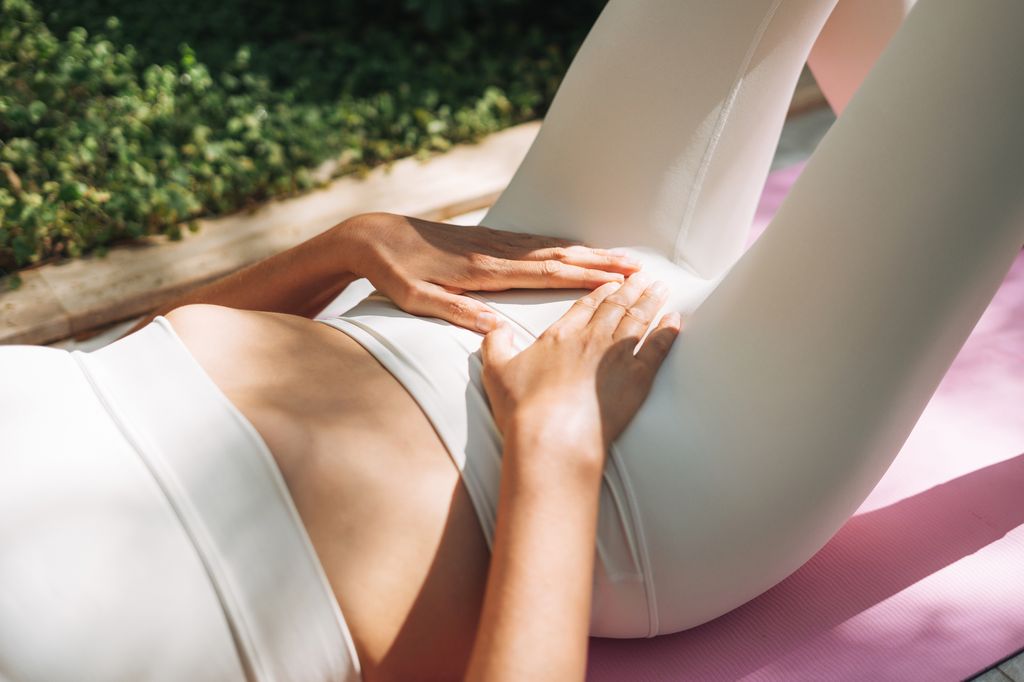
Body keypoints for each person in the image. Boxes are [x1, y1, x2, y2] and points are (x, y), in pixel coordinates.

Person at [2, 1, 1023, 681]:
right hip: (637, 480)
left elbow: (101, 383)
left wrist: (345, 249)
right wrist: (555, 438)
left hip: (447, 294)